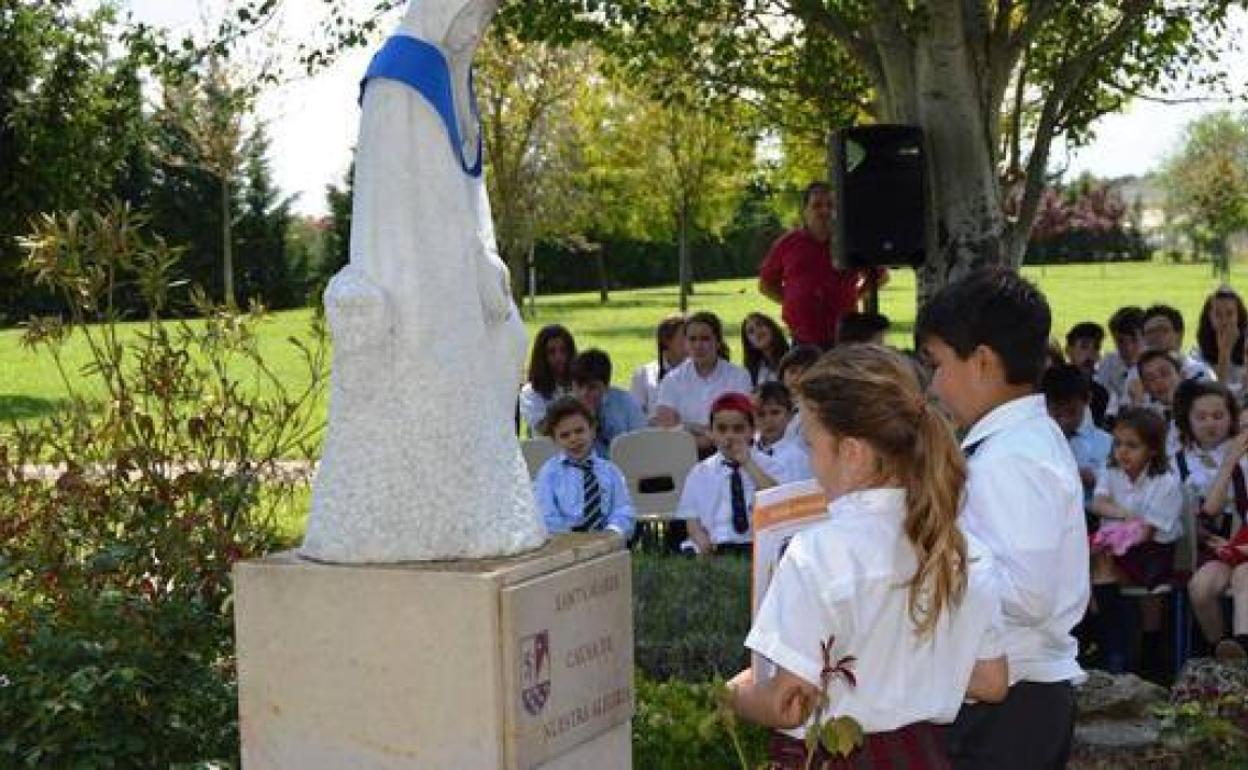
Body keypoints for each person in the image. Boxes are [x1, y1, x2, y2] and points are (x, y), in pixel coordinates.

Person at [727, 344, 1007, 769]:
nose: (811, 462)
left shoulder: (818, 552)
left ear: (852, 453)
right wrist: (908, 667)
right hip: (925, 756)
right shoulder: (963, 550)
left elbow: (791, 703)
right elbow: (991, 681)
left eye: (812, 446)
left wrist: (733, 694)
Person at [916, 269, 1087, 770]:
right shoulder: (1018, 442)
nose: (935, 384)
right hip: (1015, 692)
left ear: (983, 361)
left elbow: (1028, 594)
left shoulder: (1011, 458)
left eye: (939, 364)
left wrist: (929, 555)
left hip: (1014, 696)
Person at [1088, 408, 1183, 675]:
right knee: (1087, 565)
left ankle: (1112, 652)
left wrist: (1116, 535)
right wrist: (1126, 515)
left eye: (1132, 445)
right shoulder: (1111, 470)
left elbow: (1146, 533)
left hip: (1152, 553)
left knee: (1099, 565)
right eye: (1118, 444)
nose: (1123, 452)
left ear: (1153, 449)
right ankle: (1114, 648)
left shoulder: (1165, 482)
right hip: (1115, 549)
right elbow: (1097, 502)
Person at [758, 182, 886, 349]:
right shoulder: (788, 243)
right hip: (803, 339)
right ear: (805, 211)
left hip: (844, 338)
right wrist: (790, 302)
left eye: (830, 206)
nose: (824, 211)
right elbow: (766, 284)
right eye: (817, 205)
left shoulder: (850, 242)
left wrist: (856, 295)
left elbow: (881, 277)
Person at [1174, 380, 1248, 659]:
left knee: (1244, 578)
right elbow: (1203, 513)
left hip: (1240, 539)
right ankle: (1220, 652)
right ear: (1187, 420)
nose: (1210, 424)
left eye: (1218, 416)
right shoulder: (1180, 460)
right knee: (1200, 588)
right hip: (1211, 542)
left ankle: (1239, 649)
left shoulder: (1241, 449)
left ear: (1231, 417)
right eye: (1201, 417)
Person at [676, 393, 785, 556]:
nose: (730, 436)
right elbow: (692, 520)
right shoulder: (700, 472)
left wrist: (748, 464)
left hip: (755, 543)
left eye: (738, 429)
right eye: (721, 429)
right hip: (714, 542)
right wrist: (702, 542)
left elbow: (777, 502)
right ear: (711, 432)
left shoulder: (769, 465)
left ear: (752, 431)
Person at [533, 396, 635, 540]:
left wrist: (613, 532)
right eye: (565, 435)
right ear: (555, 441)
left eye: (579, 431)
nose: (573, 439)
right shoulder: (549, 473)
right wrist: (567, 538)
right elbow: (545, 512)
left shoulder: (610, 471)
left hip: (605, 540)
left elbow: (623, 509)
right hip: (564, 542)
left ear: (592, 431)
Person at [654, 311, 753, 454]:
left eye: (705, 339)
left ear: (718, 342)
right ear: (685, 343)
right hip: (682, 455)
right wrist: (704, 433)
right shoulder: (672, 380)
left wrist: (688, 427)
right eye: (692, 339)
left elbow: (739, 423)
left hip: (730, 452)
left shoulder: (739, 376)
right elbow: (667, 427)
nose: (698, 345)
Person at [1041, 364, 1112, 507]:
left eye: (1072, 412)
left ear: (1087, 400)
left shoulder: (1107, 444)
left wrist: (1095, 479)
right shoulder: (1038, 441)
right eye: (1057, 413)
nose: (1064, 420)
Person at [1123, 304, 1214, 404]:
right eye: (1150, 332)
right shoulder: (1135, 375)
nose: (1156, 336)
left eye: (1163, 330)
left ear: (1179, 335)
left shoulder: (1200, 372)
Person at [569, 348, 645, 456]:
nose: (583, 393)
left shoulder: (626, 403)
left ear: (606, 386)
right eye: (579, 386)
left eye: (592, 387)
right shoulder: (565, 408)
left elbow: (642, 443)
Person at [519, 324, 576, 436]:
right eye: (551, 352)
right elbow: (543, 429)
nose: (558, 357)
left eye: (563, 350)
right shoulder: (531, 392)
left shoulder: (580, 384)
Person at [753, 381, 813, 482]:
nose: (768, 420)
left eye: (775, 412)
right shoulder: (748, 449)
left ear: (789, 415)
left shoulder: (799, 458)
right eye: (761, 414)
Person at [630, 314, 687, 419]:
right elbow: (635, 416)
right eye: (685, 336)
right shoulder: (644, 374)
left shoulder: (699, 374)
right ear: (667, 341)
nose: (693, 343)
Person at [1196, 286, 1248, 394]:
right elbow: (1216, 393)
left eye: (1230, 314)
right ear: (1210, 317)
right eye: (1218, 314)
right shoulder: (1198, 355)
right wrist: (1224, 352)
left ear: (1238, 316)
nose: (1224, 321)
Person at [1096, 306, 1145, 417]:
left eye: (1134, 340)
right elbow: (1099, 397)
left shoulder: (1157, 365)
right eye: (1121, 341)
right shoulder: (1109, 362)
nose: (1128, 348)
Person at [1064, 322, 1111, 426]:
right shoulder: (1054, 387)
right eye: (1084, 347)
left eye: (1096, 348)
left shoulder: (1101, 394)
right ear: (1068, 350)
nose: (1090, 354)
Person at [1137, 349, 1183, 455]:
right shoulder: (1147, 418)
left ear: (1180, 375)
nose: (1159, 381)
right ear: (1145, 387)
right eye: (1150, 378)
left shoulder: (1200, 409)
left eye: (1165, 373)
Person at [741, 312, 791, 387]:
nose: (757, 332)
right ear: (749, 344)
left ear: (771, 327)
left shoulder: (792, 358)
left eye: (760, 325)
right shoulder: (752, 371)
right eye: (751, 331)